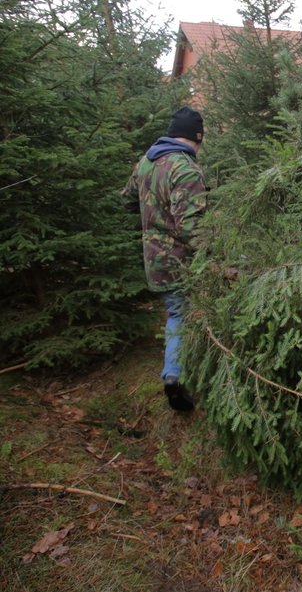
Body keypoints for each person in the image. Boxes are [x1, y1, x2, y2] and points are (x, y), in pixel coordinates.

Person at [123, 106, 208, 411]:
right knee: (181, 315)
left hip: (153, 259)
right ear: (196, 138)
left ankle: (184, 367)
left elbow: (128, 200)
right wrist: (216, 255)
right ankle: (175, 375)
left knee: (177, 312)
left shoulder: (146, 163)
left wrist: (153, 218)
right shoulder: (185, 168)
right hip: (181, 261)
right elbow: (190, 227)